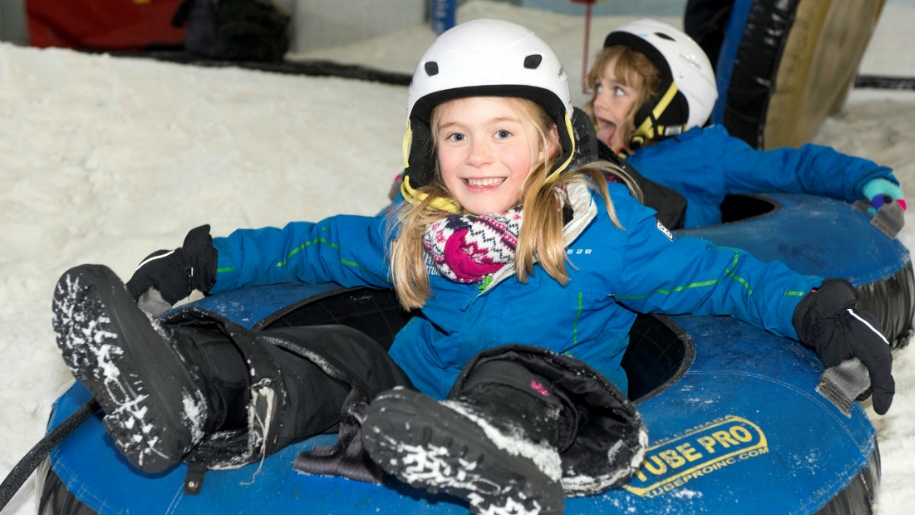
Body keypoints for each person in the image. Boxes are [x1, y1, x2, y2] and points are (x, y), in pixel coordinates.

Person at [51, 19, 894, 515]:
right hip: (412, 402)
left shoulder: (599, 231)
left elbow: (717, 276)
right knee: (345, 353)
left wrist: (813, 308)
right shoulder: (416, 229)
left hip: (549, 395)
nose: (478, 156)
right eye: (456, 134)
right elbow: (310, 243)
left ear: (551, 143)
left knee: (513, 366)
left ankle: (496, 450)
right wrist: (209, 256)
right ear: (428, 147)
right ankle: (200, 389)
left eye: (502, 132)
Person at [585, 18, 906, 229]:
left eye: (618, 91)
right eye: (599, 86)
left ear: (666, 107)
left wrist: (865, 178)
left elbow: (792, 167)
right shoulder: (595, 151)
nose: (599, 101)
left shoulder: (708, 153)